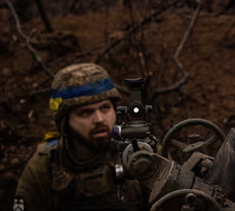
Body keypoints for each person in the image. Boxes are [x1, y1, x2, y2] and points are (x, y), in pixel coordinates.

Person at [14, 63, 145, 210]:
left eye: (105, 108)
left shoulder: (140, 152)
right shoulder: (46, 166)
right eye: (85, 113)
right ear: (65, 122)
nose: (100, 119)